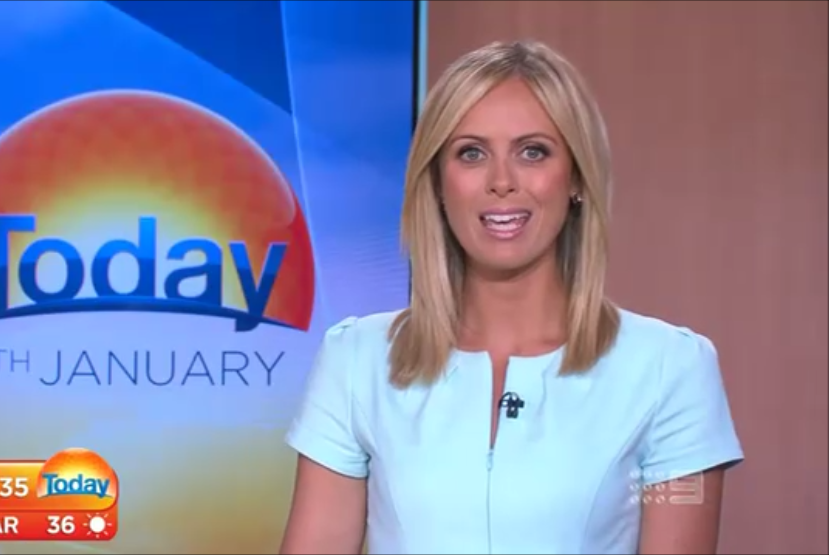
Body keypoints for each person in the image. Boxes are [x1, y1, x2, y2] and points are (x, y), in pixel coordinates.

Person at [279, 40, 744, 555]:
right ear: (437, 182)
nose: (501, 181)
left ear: (577, 177)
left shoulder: (669, 370)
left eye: (533, 152)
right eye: (471, 153)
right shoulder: (356, 361)